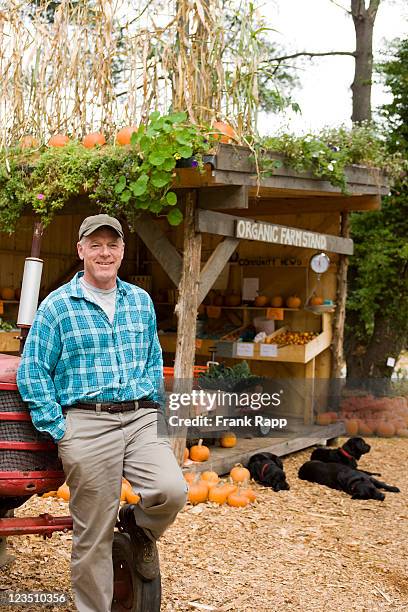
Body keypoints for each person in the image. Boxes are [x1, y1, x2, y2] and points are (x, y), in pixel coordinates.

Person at [17, 214, 187, 612]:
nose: (105, 252)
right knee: (93, 535)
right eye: (96, 245)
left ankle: (138, 527)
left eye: (112, 245)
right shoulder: (58, 306)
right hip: (86, 422)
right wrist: (59, 427)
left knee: (171, 490)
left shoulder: (139, 301)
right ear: (81, 251)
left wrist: (153, 406)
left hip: (139, 418)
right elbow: (32, 369)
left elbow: (151, 357)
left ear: (123, 252)